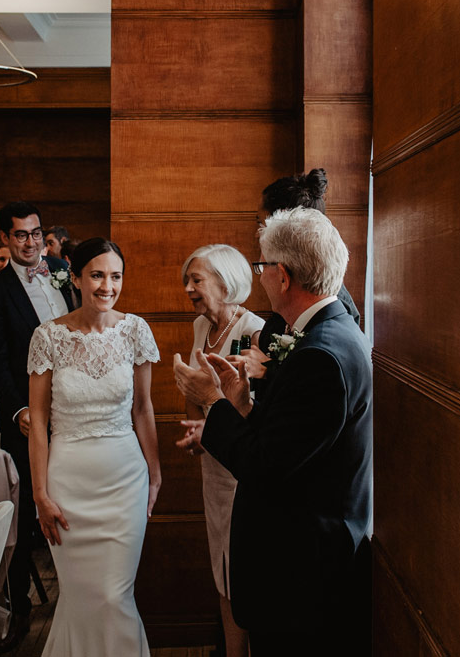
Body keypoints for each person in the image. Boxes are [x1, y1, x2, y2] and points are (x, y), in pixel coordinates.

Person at [173, 208, 372, 655]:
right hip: (301, 561)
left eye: (261, 266)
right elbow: (290, 443)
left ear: (282, 276)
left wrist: (213, 401)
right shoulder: (327, 330)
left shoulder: (321, 354)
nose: (257, 275)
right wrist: (243, 403)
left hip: (303, 570)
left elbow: (264, 467)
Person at [27, 238, 160, 656]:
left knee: (114, 596)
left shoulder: (135, 330)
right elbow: (39, 422)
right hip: (69, 484)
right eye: (98, 275)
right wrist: (39, 494)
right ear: (77, 277)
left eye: (116, 276)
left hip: (125, 481)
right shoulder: (47, 337)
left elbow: (142, 408)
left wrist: (155, 474)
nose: (107, 285)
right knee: (83, 597)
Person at [0, 200, 77, 644]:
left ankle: (75, 597)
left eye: (35, 233)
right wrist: (20, 410)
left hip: (75, 409)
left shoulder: (62, 270)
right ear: (4, 238)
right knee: (21, 515)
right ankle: (20, 609)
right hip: (26, 417)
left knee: (73, 500)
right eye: (20, 235)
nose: (30, 242)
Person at [181, 244, 264, 657]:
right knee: (221, 566)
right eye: (188, 280)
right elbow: (195, 392)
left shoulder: (254, 331)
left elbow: (255, 414)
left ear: (226, 280)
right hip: (212, 467)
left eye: (197, 279)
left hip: (239, 470)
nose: (189, 288)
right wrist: (195, 429)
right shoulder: (201, 328)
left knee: (242, 570)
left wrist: (210, 426)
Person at [242, 169, 362, 399]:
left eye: (261, 223)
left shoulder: (331, 310)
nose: (258, 233)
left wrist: (269, 370)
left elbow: (317, 388)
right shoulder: (298, 299)